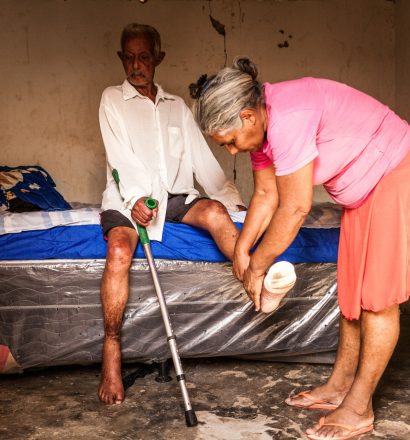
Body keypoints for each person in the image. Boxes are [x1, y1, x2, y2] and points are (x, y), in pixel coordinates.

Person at [191, 58, 410, 440]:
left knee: (377, 299)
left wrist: (259, 266)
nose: (230, 151)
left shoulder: (289, 117)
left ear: (247, 116)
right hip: (362, 191)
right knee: (352, 296)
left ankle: (359, 408)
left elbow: (294, 207)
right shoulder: (261, 131)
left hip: (393, 172)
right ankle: (340, 386)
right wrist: (242, 251)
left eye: (229, 141)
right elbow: (264, 193)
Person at [98, 24, 245, 405]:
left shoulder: (177, 106)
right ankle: (111, 351)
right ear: (121, 58)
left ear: (158, 58)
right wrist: (135, 200)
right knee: (117, 252)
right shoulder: (112, 99)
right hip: (127, 197)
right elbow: (120, 157)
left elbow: (204, 163)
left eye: (143, 56)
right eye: (128, 57)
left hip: (173, 197)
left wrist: (232, 199)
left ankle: (257, 277)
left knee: (215, 213)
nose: (136, 65)